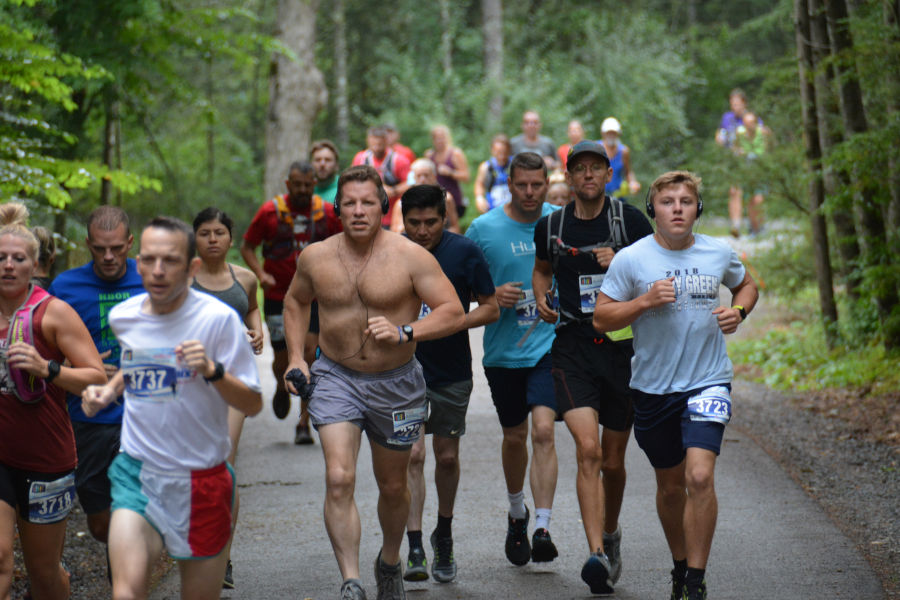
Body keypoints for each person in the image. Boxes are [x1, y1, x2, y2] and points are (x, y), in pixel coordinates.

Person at [281, 165, 466, 600]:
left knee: (393, 486)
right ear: (337, 208)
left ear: (383, 206)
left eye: (368, 202)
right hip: (335, 377)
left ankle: (388, 561)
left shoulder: (411, 256)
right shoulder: (316, 257)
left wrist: (407, 332)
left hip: (397, 382)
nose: (359, 211)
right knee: (339, 477)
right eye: (350, 203)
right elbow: (294, 301)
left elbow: (453, 311)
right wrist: (295, 358)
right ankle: (351, 580)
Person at [593, 171, 759, 600]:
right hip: (652, 387)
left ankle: (694, 582)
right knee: (670, 486)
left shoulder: (718, 251)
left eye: (686, 201)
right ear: (653, 211)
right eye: (668, 202)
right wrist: (644, 301)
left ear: (698, 209)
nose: (678, 208)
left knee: (700, 477)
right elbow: (602, 318)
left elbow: (747, 284)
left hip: (708, 381)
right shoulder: (632, 259)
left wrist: (738, 313)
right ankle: (680, 565)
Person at [81, 216, 262, 600]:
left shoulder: (219, 321)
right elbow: (138, 362)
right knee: (125, 592)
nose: (158, 270)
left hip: (202, 480)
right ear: (138, 262)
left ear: (191, 266)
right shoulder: (125, 316)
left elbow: (252, 402)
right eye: (149, 260)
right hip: (138, 473)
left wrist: (212, 371)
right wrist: (107, 390)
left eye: (171, 260)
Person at [532, 141, 654, 595]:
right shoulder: (552, 225)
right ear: (568, 177)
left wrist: (621, 261)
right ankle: (596, 554)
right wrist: (541, 295)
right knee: (588, 451)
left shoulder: (630, 222)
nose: (587, 175)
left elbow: (659, 274)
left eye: (595, 168)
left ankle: (612, 530)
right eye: (578, 169)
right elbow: (542, 269)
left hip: (622, 350)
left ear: (607, 175)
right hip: (573, 347)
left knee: (615, 462)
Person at [0, 203, 106, 600]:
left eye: (18, 258)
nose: (9, 265)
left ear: (35, 264)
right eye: (1, 258)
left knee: (45, 579)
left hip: (45, 459)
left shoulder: (53, 313)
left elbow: (96, 377)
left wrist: (48, 369)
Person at [399, 185, 499, 584]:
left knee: (446, 458)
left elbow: (490, 308)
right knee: (413, 456)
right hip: (402, 372)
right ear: (402, 220)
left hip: (451, 371)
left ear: (445, 218)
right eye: (414, 223)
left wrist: (452, 321)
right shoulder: (391, 251)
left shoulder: (463, 252)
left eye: (431, 223)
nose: (422, 231)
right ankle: (416, 544)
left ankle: (445, 532)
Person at [465, 152, 560, 568]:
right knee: (514, 436)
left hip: (550, 348)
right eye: (521, 185)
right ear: (509, 182)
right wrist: (488, 297)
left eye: (536, 185)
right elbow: (456, 290)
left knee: (543, 431)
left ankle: (543, 526)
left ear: (547, 182)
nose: (529, 193)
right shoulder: (484, 229)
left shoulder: (561, 220)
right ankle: (516, 510)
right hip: (503, 352)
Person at [47, 206, 146, 578]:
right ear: (88, 244)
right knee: (100, 522)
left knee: (132, 507)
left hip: (142, 414)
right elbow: (47, 353)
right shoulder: (65, 287)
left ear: (130, 243)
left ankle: (125, 577)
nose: (108, 256)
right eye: (100, 248)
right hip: (87, 416)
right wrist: (77, 370)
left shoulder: (151, 278)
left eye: (117, 248)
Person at [241, 160, 341, 445]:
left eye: (307, 185)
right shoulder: (270, 212)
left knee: (309, 354)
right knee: (282, 358)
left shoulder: (324, 213)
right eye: (297, 184)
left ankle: (304, 422)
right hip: (278, 298)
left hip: (314, 297)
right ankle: (282, 388)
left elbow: (342, 243)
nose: (302, 190)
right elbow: (248, 246)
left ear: (314, 185)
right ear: (288, 184)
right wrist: (261, 274)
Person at [192, 207, 263, 588]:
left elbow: (252, 310)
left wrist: (257, 332)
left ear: (231, 238)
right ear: (195, 238)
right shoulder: (183, 277)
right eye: (205, 233)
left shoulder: (246, 277)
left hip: (233, 380)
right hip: (189, 381)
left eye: (220, 232)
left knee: (224, 462)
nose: (213, 239)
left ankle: (223, 555)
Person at [715, 89, 767, 237]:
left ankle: (756, 226)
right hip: (735, 162)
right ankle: (736, 226)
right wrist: (719, 138)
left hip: (752, 162)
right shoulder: (727, 118)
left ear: (744, 103)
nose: (734, 107)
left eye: (737, 104)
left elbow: (763, 134)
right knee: (734, 191)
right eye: (732, 104)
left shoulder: (751, 118)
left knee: (753, 195)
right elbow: (720, 133)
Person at [352, 126, 412, 228]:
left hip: (392, 217)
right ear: (368, 140)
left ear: (386, 141)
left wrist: (393, 190)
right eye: (374, 141)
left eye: (380, 142)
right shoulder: (360, 159)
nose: (377, 145)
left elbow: (412, 182)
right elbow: (351, 182)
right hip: (366, 216)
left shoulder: (398, 160)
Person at [389, 158, 460, 234]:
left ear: (434, 177)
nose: (422, 180)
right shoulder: (401, 204)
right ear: (413, 178)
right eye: (419, 176)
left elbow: (455, 228)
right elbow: (395, 233)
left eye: (426, 175)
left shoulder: (446, 199)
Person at [733, 113, 771, 235]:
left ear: (755, 123)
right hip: (747, 170)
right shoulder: (740, 133)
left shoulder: (763, 133)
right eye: (745, 123)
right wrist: (739, 152)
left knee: (758, 199)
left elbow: (770, 147)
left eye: (750, 123)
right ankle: (753, 228)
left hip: (760, 169)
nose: (748, 126)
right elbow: (735, 147)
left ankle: (761, 226)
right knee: (749, 199)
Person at [424, 125, 470, 219]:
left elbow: (466, 176)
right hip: (434, 199)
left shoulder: (455, 154)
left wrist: (450, 173)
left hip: (453, 199)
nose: (440, 141)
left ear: (447, 138)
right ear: (433, 140)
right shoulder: (429, 155)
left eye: (442, 138)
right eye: (437, 138)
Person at [599, 117, 641, 199]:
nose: (611, 135)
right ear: (603, 133)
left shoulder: (623, 151)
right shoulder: (596, 148)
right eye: (608, 133)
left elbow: (628, 172)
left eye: (613, 133)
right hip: (598, 195)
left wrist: (632, 183)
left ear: (618, 134)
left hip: (617, 195)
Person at [473, 134, 512, 214]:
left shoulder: (515, 164)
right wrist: (479, 198)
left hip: (513, 209)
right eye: (498, 152)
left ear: (509, 151)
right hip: (493, 208)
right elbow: (479, 184)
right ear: (492, 150)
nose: (501, 156)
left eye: (504, 152)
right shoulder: (486, 167)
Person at [311, 139, 340, 205]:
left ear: (336, 165)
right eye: (318, 160)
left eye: (327, 160)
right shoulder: (304, 189)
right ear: (311, 164)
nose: (322, 164)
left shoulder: (344, 188)